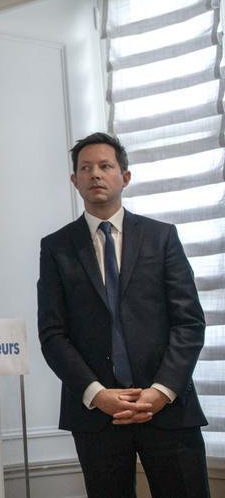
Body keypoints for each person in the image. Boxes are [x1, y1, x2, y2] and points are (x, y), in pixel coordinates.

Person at [37, 132, 209, 497]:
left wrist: (160, 392)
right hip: (98, 414)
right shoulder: (56, 248)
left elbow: (189, 322)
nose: (95, 174)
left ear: (124, 177)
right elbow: (53, 334)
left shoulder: (162, 238)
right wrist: (97, 394)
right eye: (86, 168)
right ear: (74, 181)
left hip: (167, 408)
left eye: (105, 166)